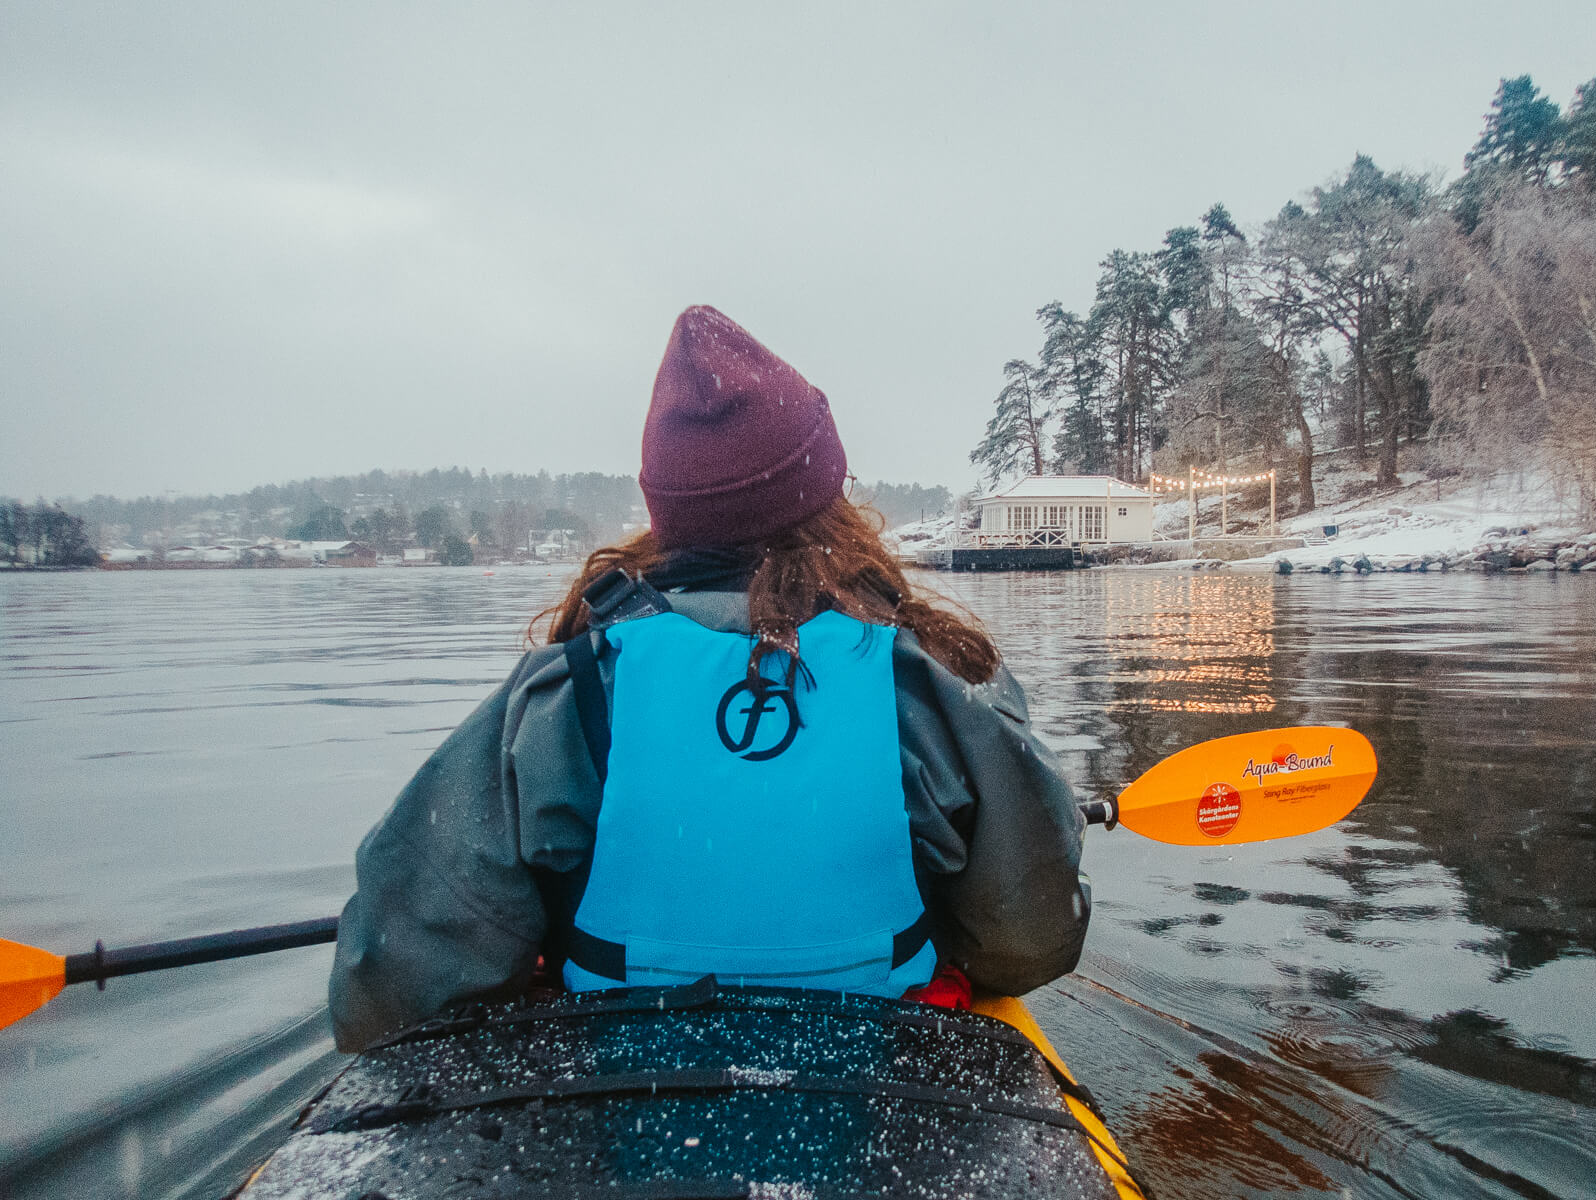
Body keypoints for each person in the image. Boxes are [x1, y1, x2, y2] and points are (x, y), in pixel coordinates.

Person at [328, 305, 1089, 1052]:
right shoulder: (931, 682)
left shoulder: (562, 695)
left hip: (620, 1080)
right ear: (828, 502)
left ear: (669, 513)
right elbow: (1029, 946)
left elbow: (389, 992)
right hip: (880, 1065)